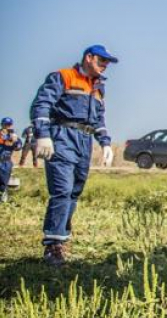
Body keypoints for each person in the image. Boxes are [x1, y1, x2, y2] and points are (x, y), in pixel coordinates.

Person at [31, 44, 118, 265]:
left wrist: (105, 144)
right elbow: (41, 105)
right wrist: (43, 135)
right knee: (62, 190)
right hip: (62, 137)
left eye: (107, 62)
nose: (105, 65)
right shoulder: (63, 77)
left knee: (75, 191)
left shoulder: (98, 88)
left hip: (84, 141)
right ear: (88, 58)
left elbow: (98, 119)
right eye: (101, 60)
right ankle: (53, 246)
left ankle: (61, 238)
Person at [0, 118, 23, 203]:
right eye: (5, 124)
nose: (7, 126)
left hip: (5, 162)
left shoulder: (14, 137)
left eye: (9, 125)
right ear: (2, 125)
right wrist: (3, 138)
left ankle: (3, 202)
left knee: (3, 183)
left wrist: (15, 141)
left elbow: (18, 147)